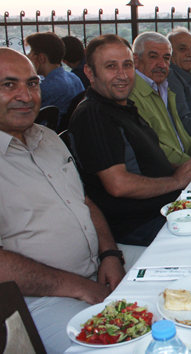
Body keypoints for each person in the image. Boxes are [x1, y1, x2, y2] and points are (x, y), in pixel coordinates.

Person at [0, 47, 125, 353]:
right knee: (116, 345)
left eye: (32, 83)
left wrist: (110, 254)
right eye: (8, 85)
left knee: (182, 282)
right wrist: (81, 288)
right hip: (33, 299)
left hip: (95, 268)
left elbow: (82, 201)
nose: (26, 96)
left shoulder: (47, 138)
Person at [70, 34, 191, 246]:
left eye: (126, 65)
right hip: (138, 225)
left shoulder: (122, 107)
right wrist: (176, 180)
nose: (122, 75)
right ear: (90, 72)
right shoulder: (94, 114)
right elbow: (118, 184)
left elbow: (150, 162)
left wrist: (189, 170)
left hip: (167, 206)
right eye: (110, 66)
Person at [129, 32, 191, 165]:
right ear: (136, 60)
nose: (162, 64)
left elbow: (180, 134)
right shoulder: (132, 95)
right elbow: (152, 148)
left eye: (166, 58)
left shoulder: (163, 87)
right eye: (153, 57)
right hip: (167, 174)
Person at [25, 32, 84, 124]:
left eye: (30, 53)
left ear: (41, 58)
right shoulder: (74, 78)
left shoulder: (45, 89)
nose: (28, 57)